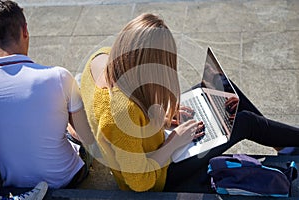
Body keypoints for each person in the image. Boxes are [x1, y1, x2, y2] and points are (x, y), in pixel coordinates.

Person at [80, 13, 299, 192]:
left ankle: (287, 146)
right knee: (244, 123)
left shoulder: (102, 58)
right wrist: (174, 141)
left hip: (155, 142)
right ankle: (291, 143)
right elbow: (140, 183)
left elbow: (133, 115)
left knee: (221, 86)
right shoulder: (120, 113)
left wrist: (164, 118)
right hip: (161, 175)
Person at [0, 0, 99, 189]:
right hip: (66, 179)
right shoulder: (57, 76)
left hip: (13, 183)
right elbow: (88, 139)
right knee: (73, 104)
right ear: (25, 31)